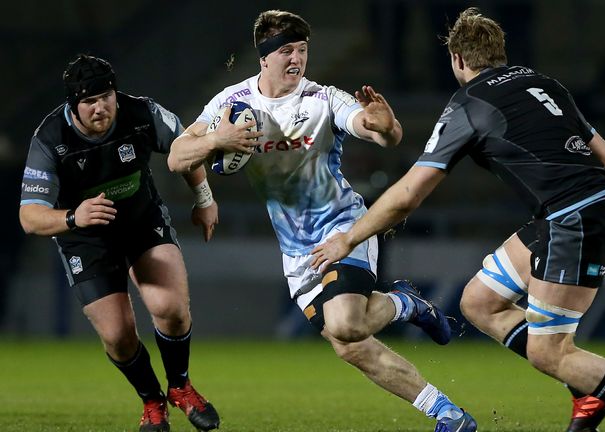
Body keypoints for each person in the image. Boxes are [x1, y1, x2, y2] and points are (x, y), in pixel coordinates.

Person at [311, 8, 605, 432]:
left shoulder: (468, 105)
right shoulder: (544, 83)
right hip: (570, 211)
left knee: (549, 353)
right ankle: (586, 390)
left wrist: (348, 239)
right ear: (500, 53)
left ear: (458, 60)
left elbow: (408, 195)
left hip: (571, 218)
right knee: (479, 302)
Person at [167, 10, 476, 432]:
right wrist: (217, 139)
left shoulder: (323, 98)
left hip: (343, 228)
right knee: (350, 346)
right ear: (264, 57)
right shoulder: (230, 103)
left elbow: (376, 129)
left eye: (303, 50)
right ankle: (447, 414)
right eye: (287, 51)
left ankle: (404, 303)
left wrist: (385, 127)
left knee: (346, 323)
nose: (297, 59)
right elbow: (176, 157)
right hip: (296, 252)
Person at [19, 54, 220, 432]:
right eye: (90, 101)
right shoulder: (50, 139)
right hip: (85, 238)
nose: (101, 107)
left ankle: (180, 387)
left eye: (106, 96)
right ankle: (152, 402)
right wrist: (72, 217)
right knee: (117, 336)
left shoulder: (141, 113)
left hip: (140, 221)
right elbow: (28, 216)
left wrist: (205, 199)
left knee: (170, 308)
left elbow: (186, 148)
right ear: (73, 106)